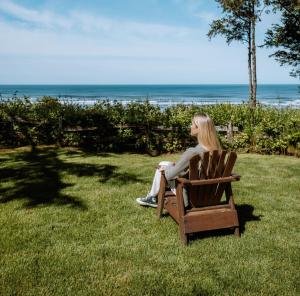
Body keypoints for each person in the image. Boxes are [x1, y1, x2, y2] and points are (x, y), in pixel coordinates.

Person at [136, 114, 221, 208]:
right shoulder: (216, 151)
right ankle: (152, 196)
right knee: (165, 164)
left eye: (192, 124)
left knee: (162, 167)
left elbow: (169, 176)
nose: (190, 126)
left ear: (199, 128)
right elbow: (200, 171)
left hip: (189, 197)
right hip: (208, 195)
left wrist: (164, 170)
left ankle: (152, 197)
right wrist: (176, 166)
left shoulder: (193, 152)